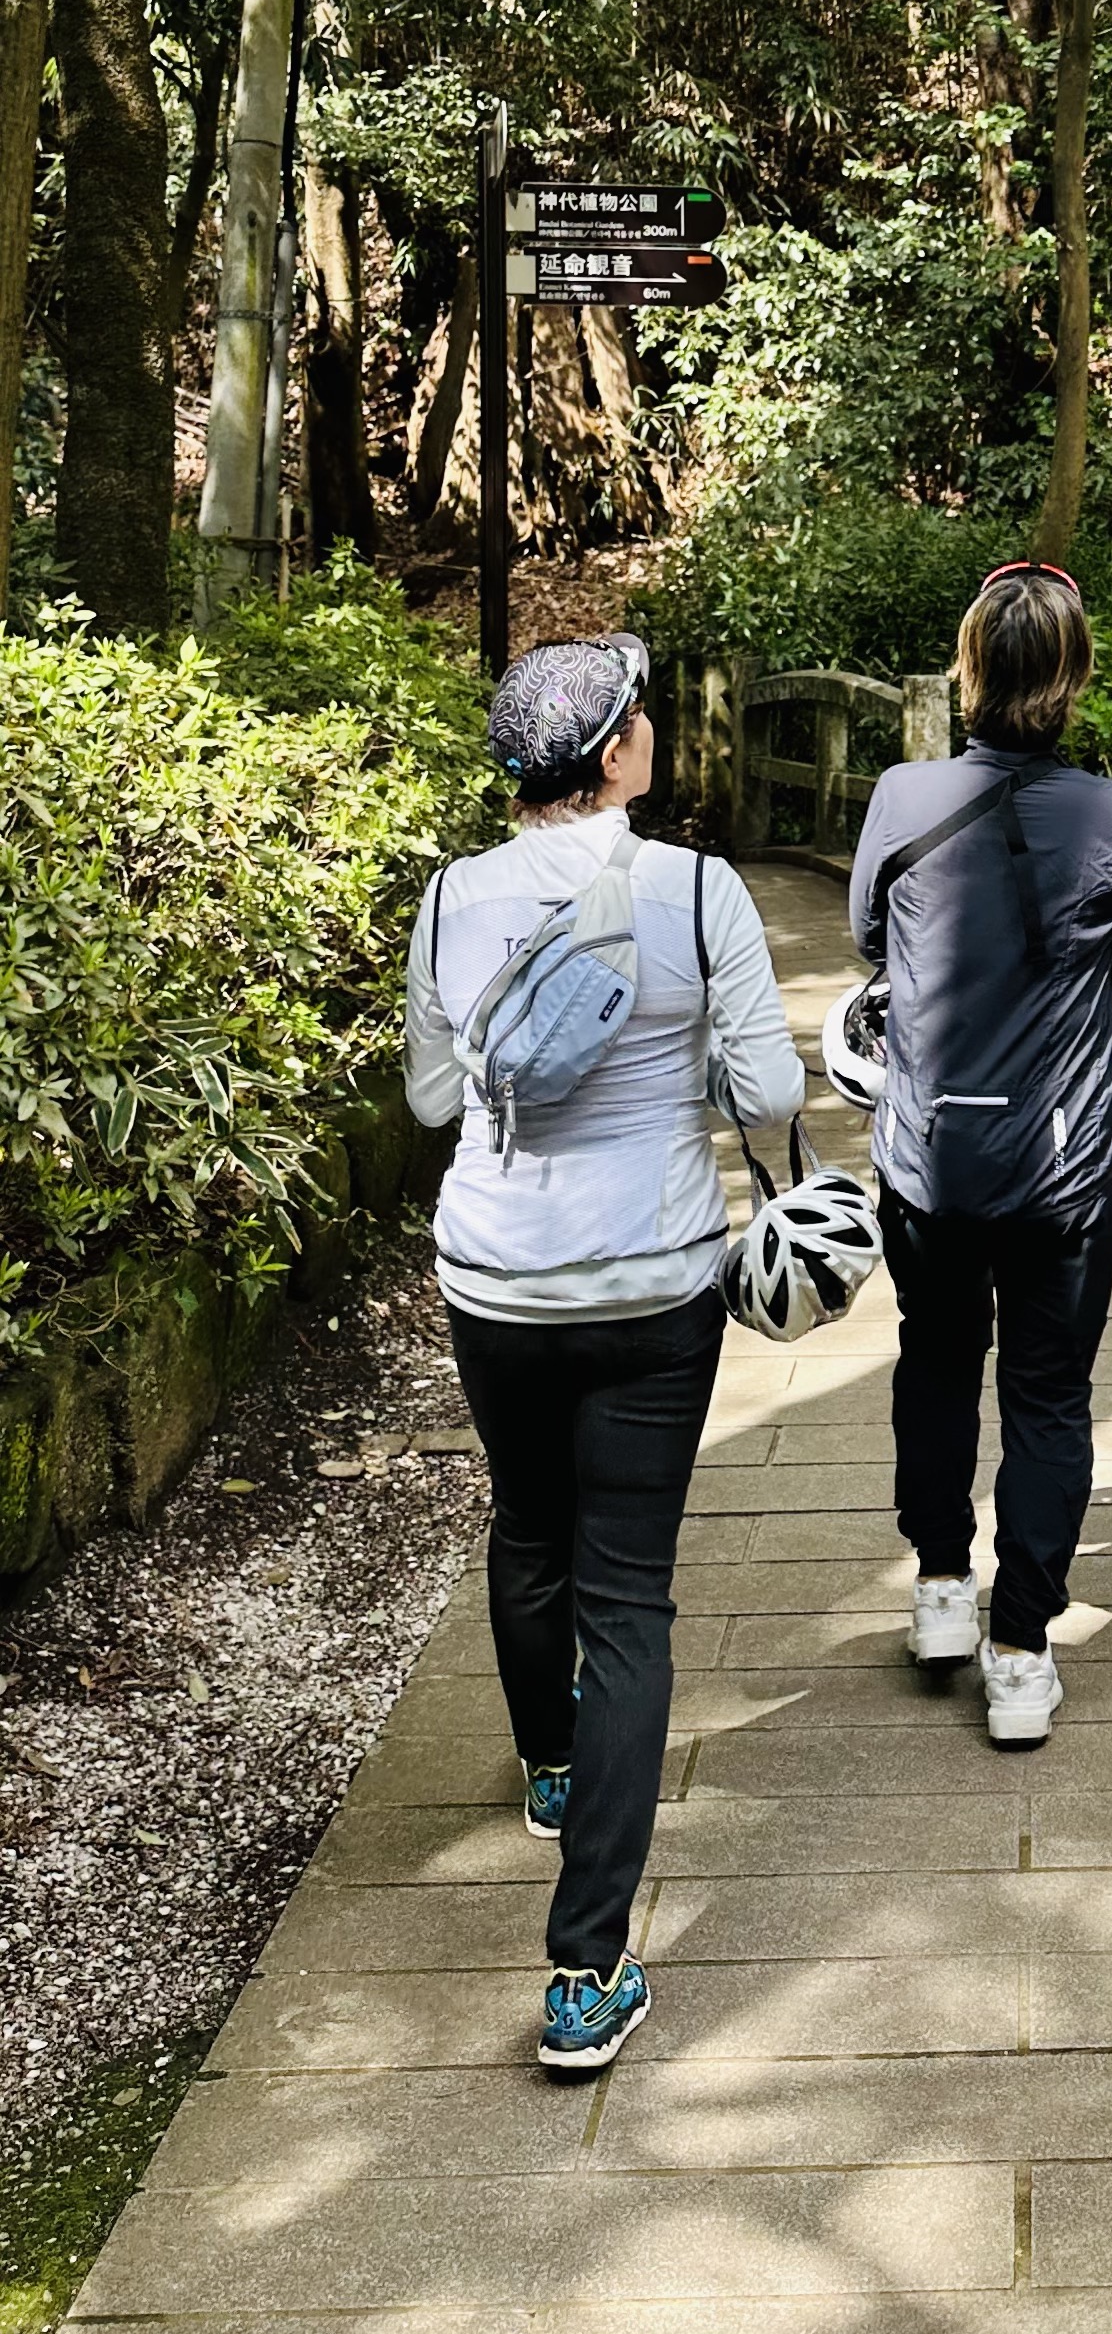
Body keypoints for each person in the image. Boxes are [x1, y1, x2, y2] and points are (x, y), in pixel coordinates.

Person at [404, 630, 803, 2076]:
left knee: (528, 1526)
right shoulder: (698, 889)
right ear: (622, 751)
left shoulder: (453, 895)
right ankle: (586, 1975)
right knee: (628, 1600)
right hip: (651, 1277)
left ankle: (552, 1772)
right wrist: (679, 1051)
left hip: (497, 1277)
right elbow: (763, 1086)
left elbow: (434, 1092)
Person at [849, 558, 1112, 1746]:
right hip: (1063, 1163)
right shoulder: (1111, 812)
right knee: (1048, 1398)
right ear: (1073, 678)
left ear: (968, 667)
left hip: (931, 1151)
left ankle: (942, 1587)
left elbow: (868, 936)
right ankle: (1022, 1650)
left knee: (933, 1359)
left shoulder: (900, 795)